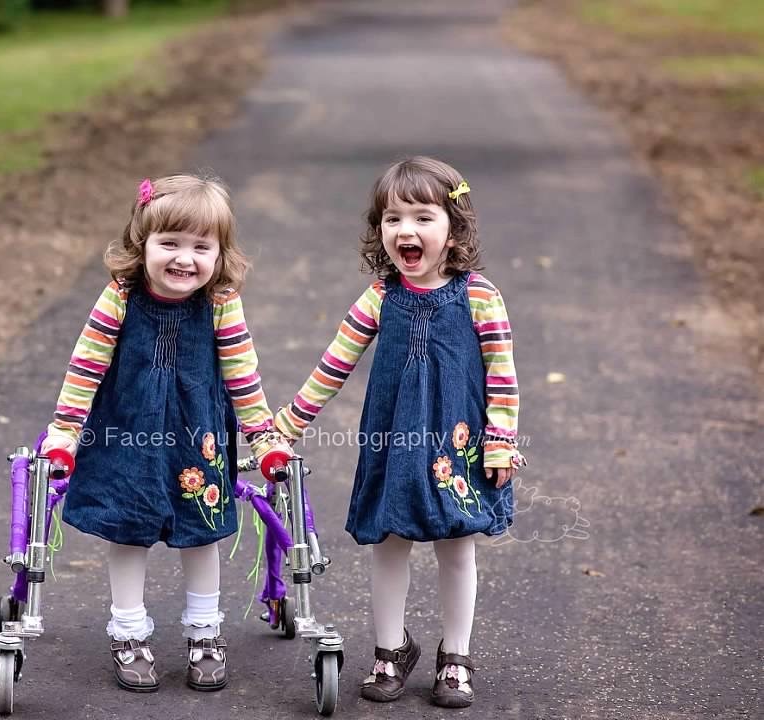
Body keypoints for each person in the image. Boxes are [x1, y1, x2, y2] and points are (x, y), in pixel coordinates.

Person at [273, 157, 526, 708]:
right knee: (388, 545)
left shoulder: (480, 295)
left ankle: (455, 656)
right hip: (392, 443)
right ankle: (391, 649)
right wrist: (286, 426)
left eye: (422, 217)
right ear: (379, 230)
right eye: (392, 219)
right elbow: (332, 365)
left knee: (456, 548)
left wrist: (501, 439)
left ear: (453, 228)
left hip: (456, 446)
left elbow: (502, 374)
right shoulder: (380, 297)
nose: (405, 231)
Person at [40, 173, 289, 693]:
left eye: (201, 246)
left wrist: (263, 437)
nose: (184, 259)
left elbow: (243, 376)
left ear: (220, 254)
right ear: (142, 243)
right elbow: (86, 366)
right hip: (125, 435)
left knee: (200, 533)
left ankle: (204, 633)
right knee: (129, 532)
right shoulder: (120, 297)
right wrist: (65, 431)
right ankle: (128, 632)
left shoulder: (220, 302)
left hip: (197, 440)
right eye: (169, 243)